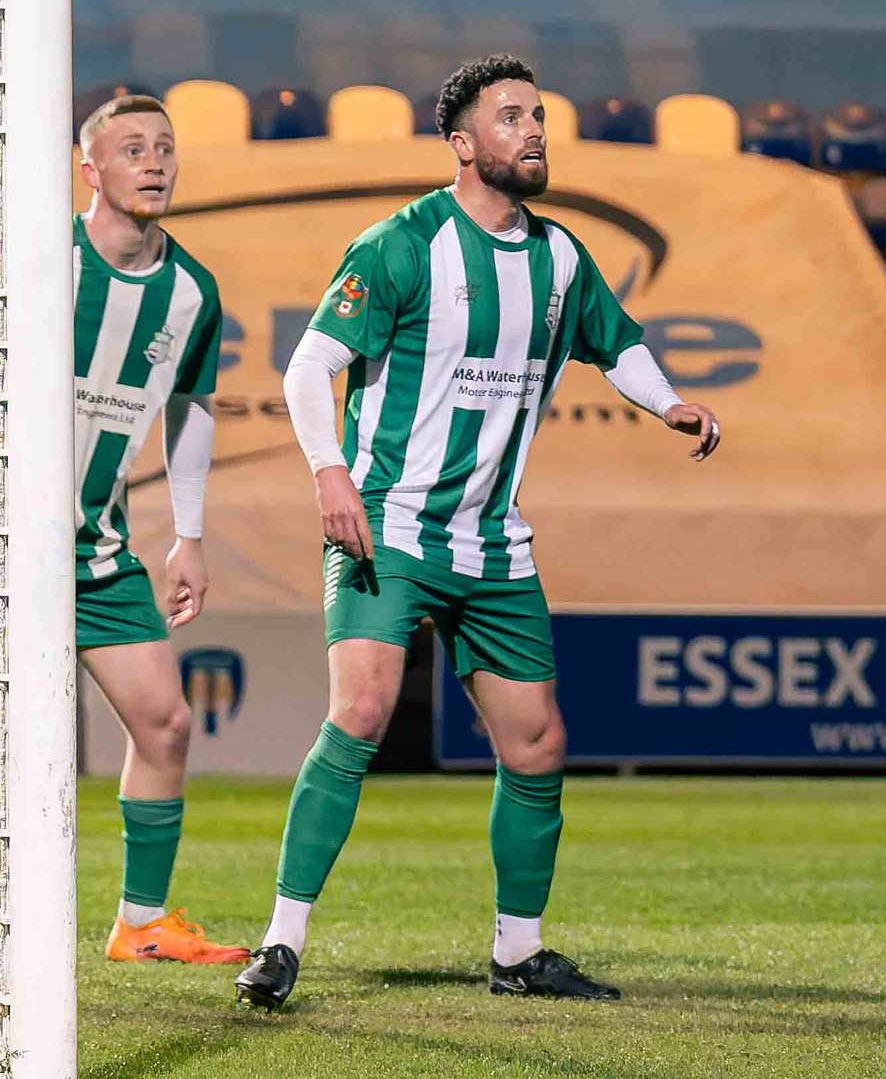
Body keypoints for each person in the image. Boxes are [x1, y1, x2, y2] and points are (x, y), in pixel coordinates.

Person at [236, 56, 723, 1010]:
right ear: (463, 144)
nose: (534, 130)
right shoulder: (401, 244)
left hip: (494, 543)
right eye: (511, 118)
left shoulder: (564, 257)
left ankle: (518, 954)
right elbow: (307, 370)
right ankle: (281, 942)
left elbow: (615, 340)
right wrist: (329, 474)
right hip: (389, 524)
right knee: (363, 712)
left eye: (539, 115)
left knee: (538, 744)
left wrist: (668, 404)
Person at [70, 95, 252, 967]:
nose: (154, 161)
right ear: (90, 168)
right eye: (132, 147)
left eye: (166, 148)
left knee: (167, 723)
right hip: (9, 543)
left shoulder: (192, 291)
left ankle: (141, 922)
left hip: (95, 552)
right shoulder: (40, 259)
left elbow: (189, 407)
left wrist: (189, 534)